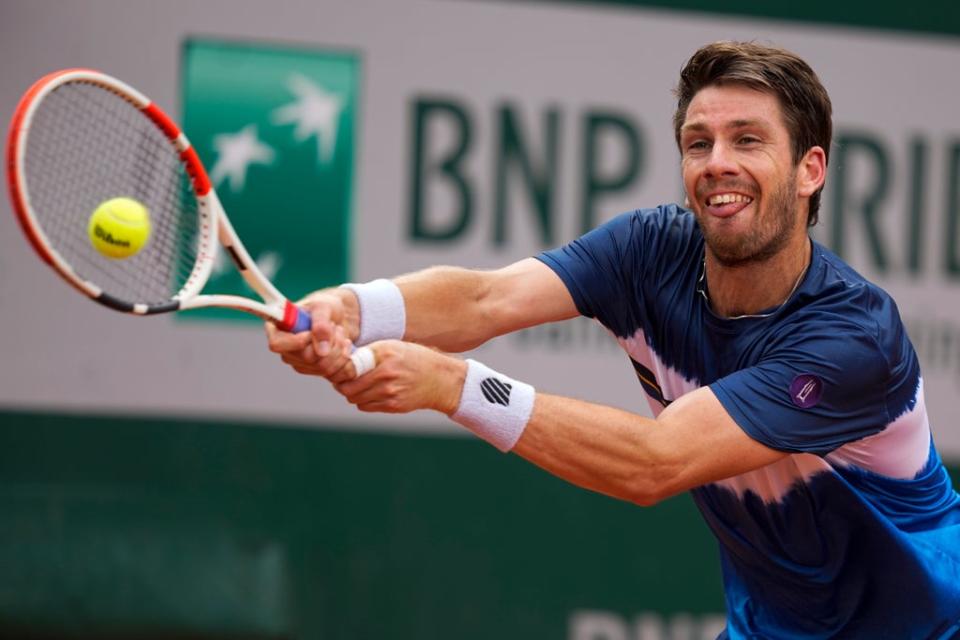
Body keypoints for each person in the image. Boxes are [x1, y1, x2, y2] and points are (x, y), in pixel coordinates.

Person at [266, 41, 960, 639]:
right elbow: (487, 297)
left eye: (748, 140)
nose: (717, 162)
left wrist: (453, 385)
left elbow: (654, 464)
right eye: (699, 142)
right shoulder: (648, 250)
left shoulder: (852, 340)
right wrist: (351, 310)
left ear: (812, 170)